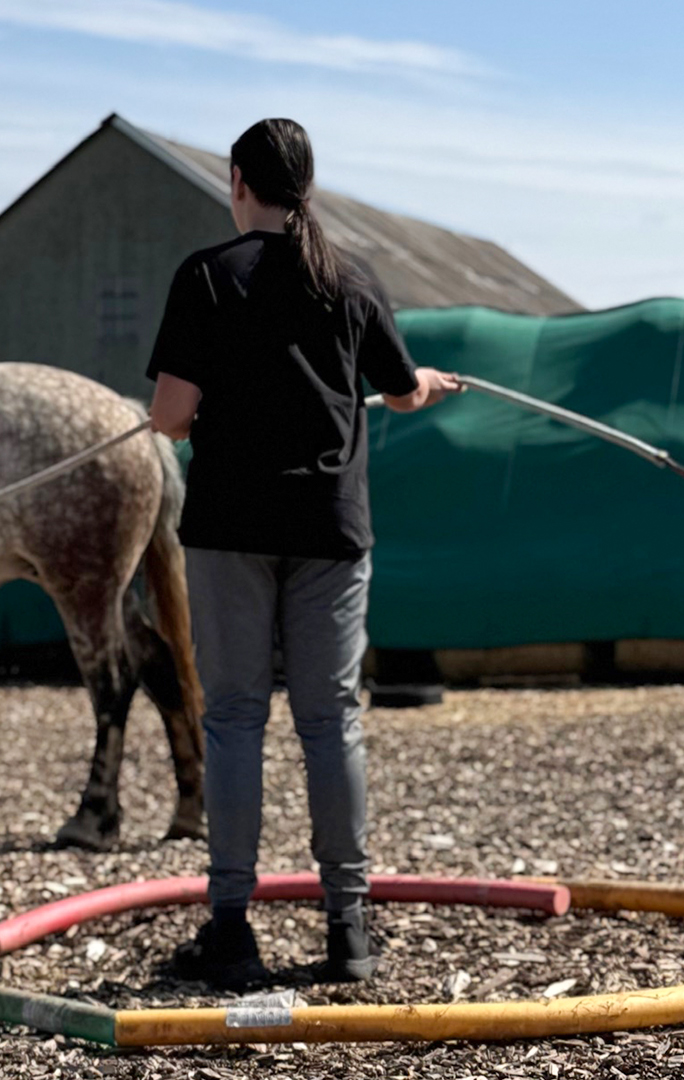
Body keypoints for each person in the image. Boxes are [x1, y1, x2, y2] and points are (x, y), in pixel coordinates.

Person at [146, 118, 462, 988]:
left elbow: (170, 418)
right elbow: (400, 393)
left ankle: (231, 930)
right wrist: (426, 385)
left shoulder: (207, 276)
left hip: (231, 531)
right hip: (329, 530)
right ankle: (348, 929)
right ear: (308, 185)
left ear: (240, 180)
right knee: (330, 721)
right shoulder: (352, 279)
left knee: (237, 717)